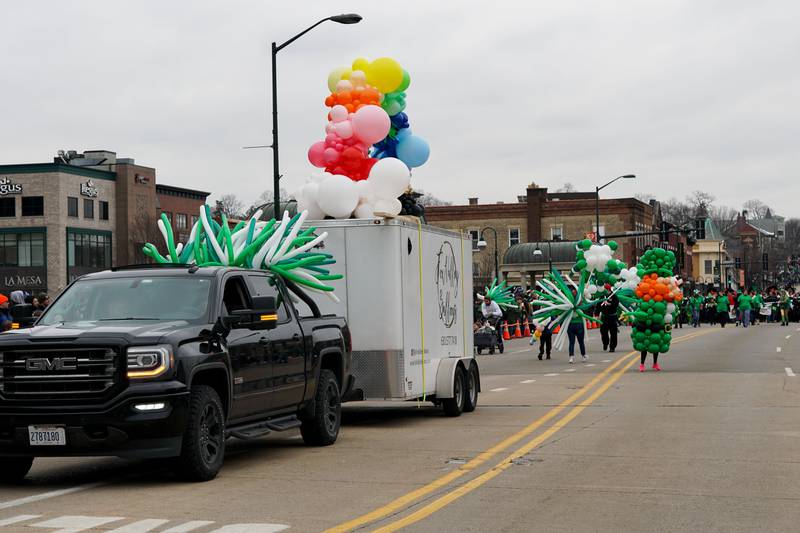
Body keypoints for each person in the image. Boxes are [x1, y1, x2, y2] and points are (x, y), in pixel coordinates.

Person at [566, 289, 586, 363]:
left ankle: (571, 357)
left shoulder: (568, 305)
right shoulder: (580, 304)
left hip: (570, 325)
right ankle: (583, 355)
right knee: (581, 341)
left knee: (571, 342)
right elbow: (585, 308)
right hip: (579, 324)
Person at [598, 285, 619, 352]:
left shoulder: (614, 296)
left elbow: (616, 304)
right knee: (603, 332)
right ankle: (605, 343)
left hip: (612, 317)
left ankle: (612, 347)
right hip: (604, 317)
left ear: (608, 289)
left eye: (605, 289)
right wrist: (596, 313)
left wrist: (610, 304)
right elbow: (598, 305)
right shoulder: (602, 297)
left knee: (613, 333)